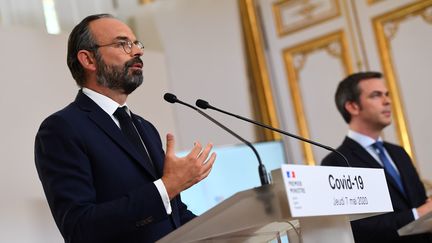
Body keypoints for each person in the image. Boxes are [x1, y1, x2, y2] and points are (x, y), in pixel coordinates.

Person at [34, 13, 216, 243]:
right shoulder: (61, 129)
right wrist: (167, 187)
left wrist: (230, 230)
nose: (138, 51)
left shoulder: (144, 127)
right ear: (88, 60)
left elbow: (174, 216)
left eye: (136, 44)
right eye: (123, 44)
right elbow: (79, 226)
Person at [321, 71, 432, 243]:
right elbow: (357, 228)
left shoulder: (399, 152)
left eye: (387, 95)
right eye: (376, 95)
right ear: (352, 106)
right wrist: (418, 214)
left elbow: (420, 202)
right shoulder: (336, 162)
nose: (387, 101)